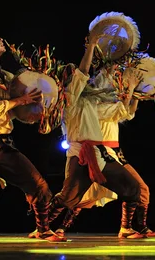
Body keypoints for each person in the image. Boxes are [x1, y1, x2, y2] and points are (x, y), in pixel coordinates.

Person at [44, 33, 142, 239]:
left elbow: (121, 112)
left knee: (133, 187)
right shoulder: (70, 100)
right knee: (68, 199)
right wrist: (92, 47)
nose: (84, 81)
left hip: (99, 154)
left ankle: (126, 228)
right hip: (80, 154)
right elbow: (83, 72)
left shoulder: (91, 103)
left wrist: (133, 89)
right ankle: (43, 228)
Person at [0, 37, 64, 242]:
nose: (1, 40)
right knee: (38, 185)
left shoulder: (6, 77)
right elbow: (15, 102)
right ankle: (43, 230)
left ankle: (42, 229)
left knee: (37, 186)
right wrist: (19, 100)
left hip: (3, 142)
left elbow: (21, 105)